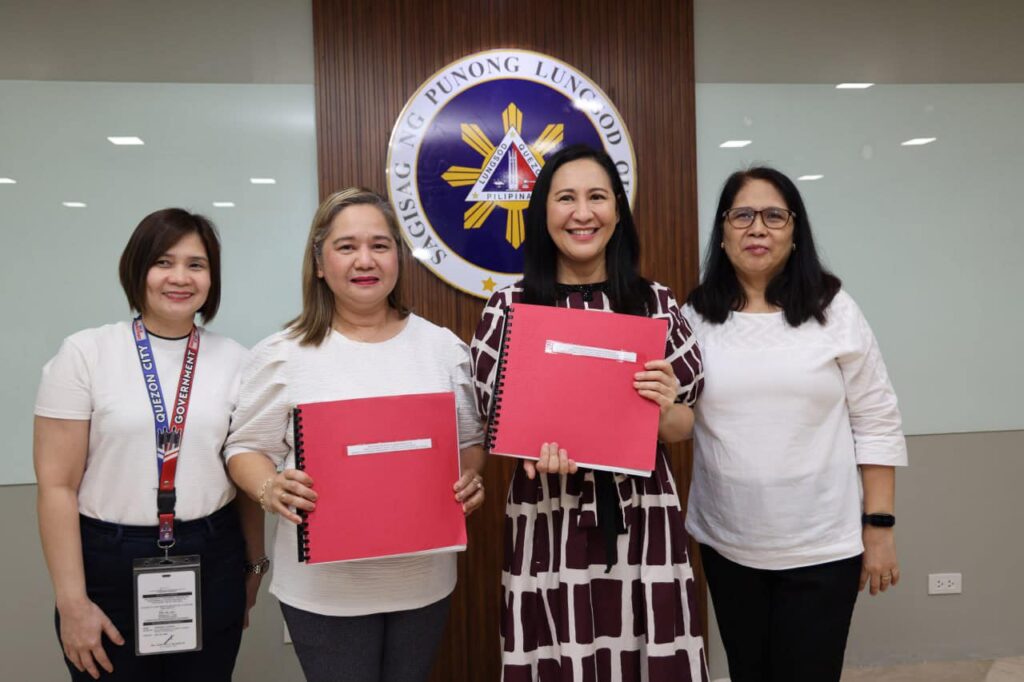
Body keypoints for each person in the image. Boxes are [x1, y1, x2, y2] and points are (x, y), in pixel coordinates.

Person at [224, 187, 485, 682]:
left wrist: (469, 477)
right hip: (323, 591)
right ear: (320, 263)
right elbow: (245, 447)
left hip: (423, 583)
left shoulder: (442, 348)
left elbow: (469, 442)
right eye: (346, 247)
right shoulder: (283, 353)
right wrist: (270, 486)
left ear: (398, 257)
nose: (365, 260)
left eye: (380, 245)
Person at [471, 144, 708, 682]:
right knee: (558, 648)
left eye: (597, 197)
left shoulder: (655, 303)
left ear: (618, 211)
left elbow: (683, 425)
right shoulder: (510, 307)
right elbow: (497, 424)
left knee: (646, 646)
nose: (583, 213)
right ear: (542, 213)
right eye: (566, 199)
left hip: (642, 510)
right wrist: (534, 445)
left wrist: (663, 405)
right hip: (547, 508)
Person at [683, 167, 908, 681]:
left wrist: (880, 527)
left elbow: (876, 418)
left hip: (822, 546)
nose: (757, 228)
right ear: (723, 232)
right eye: (742, 215)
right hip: (728, 542)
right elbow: (675, 412)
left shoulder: (834, 310)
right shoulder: (695, 316)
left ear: (795, 232)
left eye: (774, 216)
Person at [34, 209, 264, 681]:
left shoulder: (239, 361)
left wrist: (253, 569)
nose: (180, 277)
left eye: (196, 264)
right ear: (137, 269)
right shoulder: (85, 353)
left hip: (212, 554)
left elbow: (245, 475)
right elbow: (56, 487)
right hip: (109, 563)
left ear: (212, 278)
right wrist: (71, 602)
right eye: (164, 262)